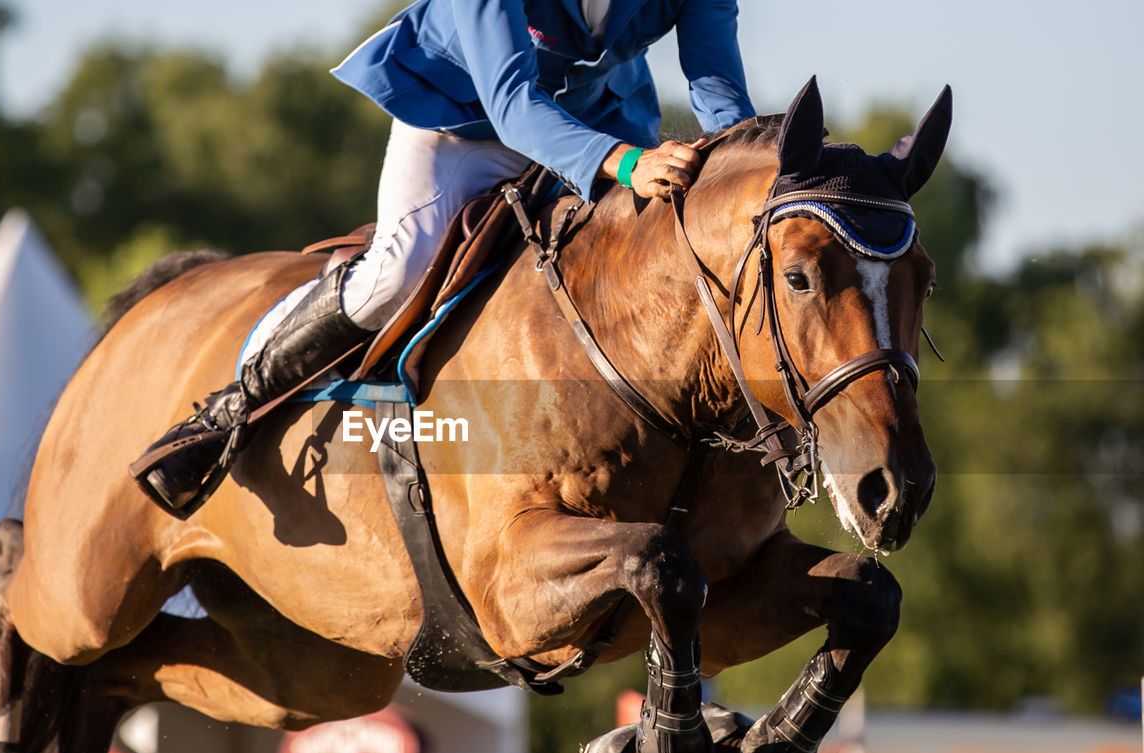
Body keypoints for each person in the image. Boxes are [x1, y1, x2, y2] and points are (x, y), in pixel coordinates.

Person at [136, 0, 756, 516]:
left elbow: (722, 98)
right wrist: (625, 163)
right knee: (395, 276)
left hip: (603, 118)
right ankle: (230, 411)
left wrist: (753, 178)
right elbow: (513, 102)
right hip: (467, 120)